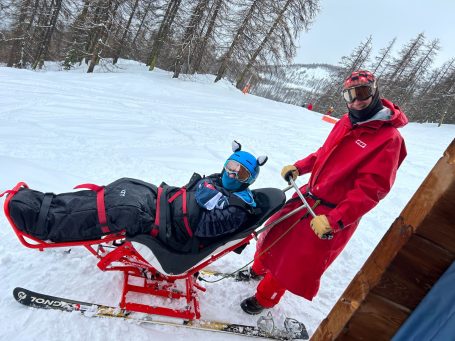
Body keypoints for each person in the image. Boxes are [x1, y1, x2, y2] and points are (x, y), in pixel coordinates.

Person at [239, 70, 408, 314]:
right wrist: (300, 167)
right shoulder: (347, 121)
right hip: (307, 197)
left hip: (328, 214)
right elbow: (324, 153)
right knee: (274, 233)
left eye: (363, 92)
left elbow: (372, 190)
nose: (357, 100)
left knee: (292, 261)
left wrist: (335, 220)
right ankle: (257, 270)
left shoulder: (388, 139)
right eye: (350, 95)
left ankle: (265, 298)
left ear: (375, 91)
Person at [7, 141, 268, 253]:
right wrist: (203, 192)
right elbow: (200, 189)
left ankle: (43, 223)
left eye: (240, 173)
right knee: (127, 187)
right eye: (230, 167)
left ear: (249, 179)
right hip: (165, 206)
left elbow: (203, 227)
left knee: (123, 209)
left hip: (173, 233)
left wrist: (203, 194)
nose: (231, 175)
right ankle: (49, 206)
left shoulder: (238, 209)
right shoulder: (219, 182)